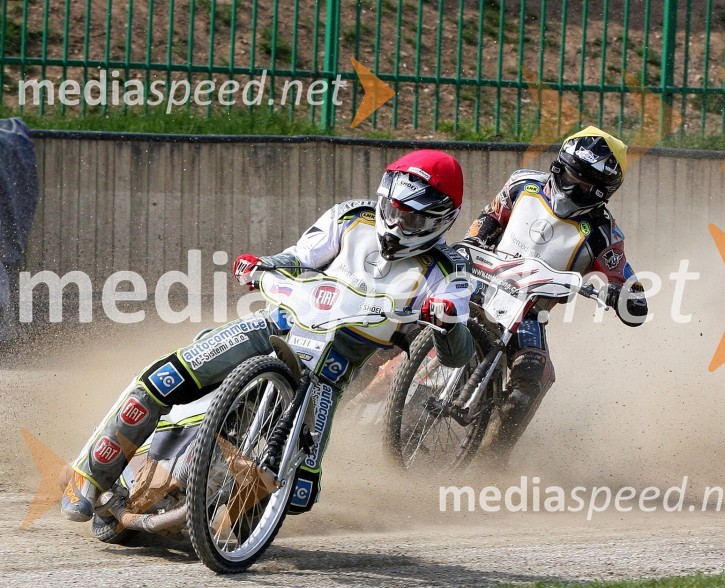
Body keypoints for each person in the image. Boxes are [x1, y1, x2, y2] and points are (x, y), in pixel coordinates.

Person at [62, 149, 474, 521]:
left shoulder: (449, 269)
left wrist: (448, 323)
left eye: (412, 217)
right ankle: (89, 478)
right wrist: (261, 265)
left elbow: (456, 357)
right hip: (274, 326)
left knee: (298, 493)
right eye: (392, 207)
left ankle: (229, 515)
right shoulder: (351, 216)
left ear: (441, 221)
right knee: (162, 377)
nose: (396, 221)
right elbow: (297, 259)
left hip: (331, 371)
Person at [462, 126, 648, 457]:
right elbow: (490, 217)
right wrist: (473, 241)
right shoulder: (522, 184)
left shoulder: (605, 236)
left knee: (536, 371)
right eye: (571, 173)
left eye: (585, 182)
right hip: (480, 282)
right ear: (559, 163)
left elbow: (631, 289)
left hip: (527, 313)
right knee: (421, 307)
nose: (573, 185)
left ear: (603, 190)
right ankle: (377, 366)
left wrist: (625, 296)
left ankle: (493, 455)